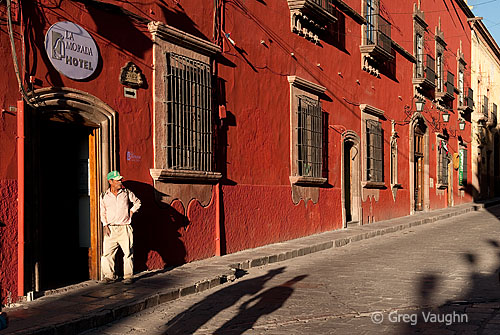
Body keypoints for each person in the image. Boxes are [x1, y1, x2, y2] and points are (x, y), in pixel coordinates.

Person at [100, 171, 141, 284]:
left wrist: (132, 211)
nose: (120, 182)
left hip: (125, 228)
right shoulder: (104, 196)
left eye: (120, 180)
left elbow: (137, 202)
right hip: (111, 228)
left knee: (128, 253)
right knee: (107, 253)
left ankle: (128, 276)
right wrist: (105, 225)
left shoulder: (126, 193)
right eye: (117, 180)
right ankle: (109, 276)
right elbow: (102, 212)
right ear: (110, 182)